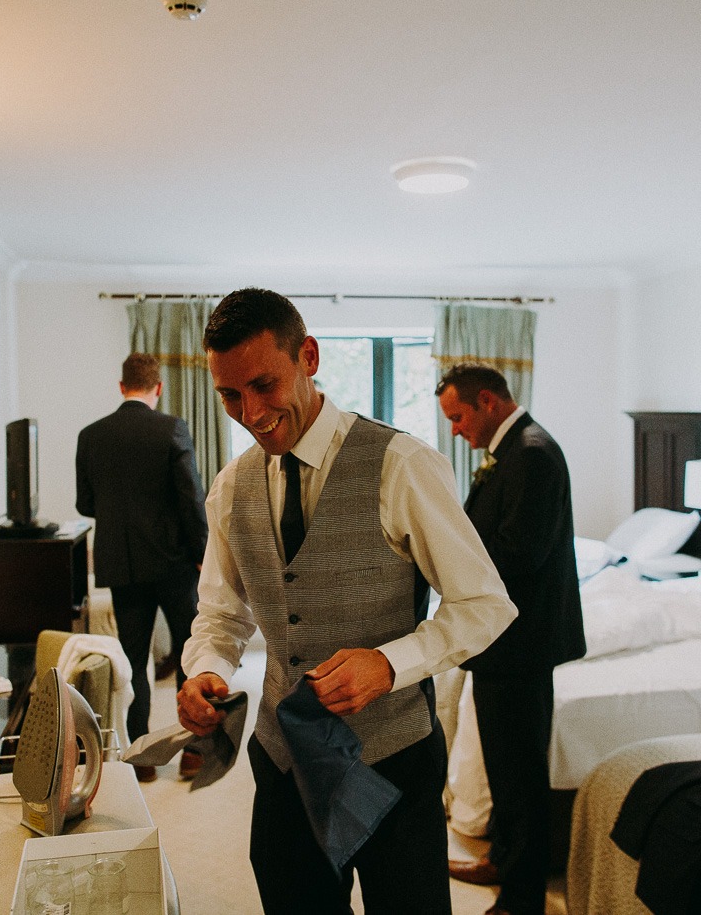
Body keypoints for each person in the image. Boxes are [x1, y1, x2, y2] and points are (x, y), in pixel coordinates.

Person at [177, 288, 517, 915]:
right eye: (229, 395)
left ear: (308, 356)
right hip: (284, 766)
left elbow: (485, 604)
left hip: (392, 761)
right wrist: (206, 669)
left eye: (263, 385)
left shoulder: (404, 464)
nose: (250, 413)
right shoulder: (230, 486)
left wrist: (390, 664)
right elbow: (222, 615)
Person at [435, 364, 586, 915]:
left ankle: (522, 899)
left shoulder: (533, 455)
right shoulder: (517, 449)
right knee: (502, 763)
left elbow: (521, 552)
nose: (453, 429)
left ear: (488, 403)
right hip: (504, 643)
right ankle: (502, 856)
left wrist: (451, 562)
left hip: (521, 644)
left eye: (457, 416)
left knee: (520, 772)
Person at [76, 352, 208, 782]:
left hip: (123, 564)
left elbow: (85, 503)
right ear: (159, 387)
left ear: (121, 387)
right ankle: (192, 751)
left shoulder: (91, 435)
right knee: (191, 651)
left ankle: (144, 756)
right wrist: (202, 551)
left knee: (132, 659)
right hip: (173, 562)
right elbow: (190, 498)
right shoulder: (172, 429)